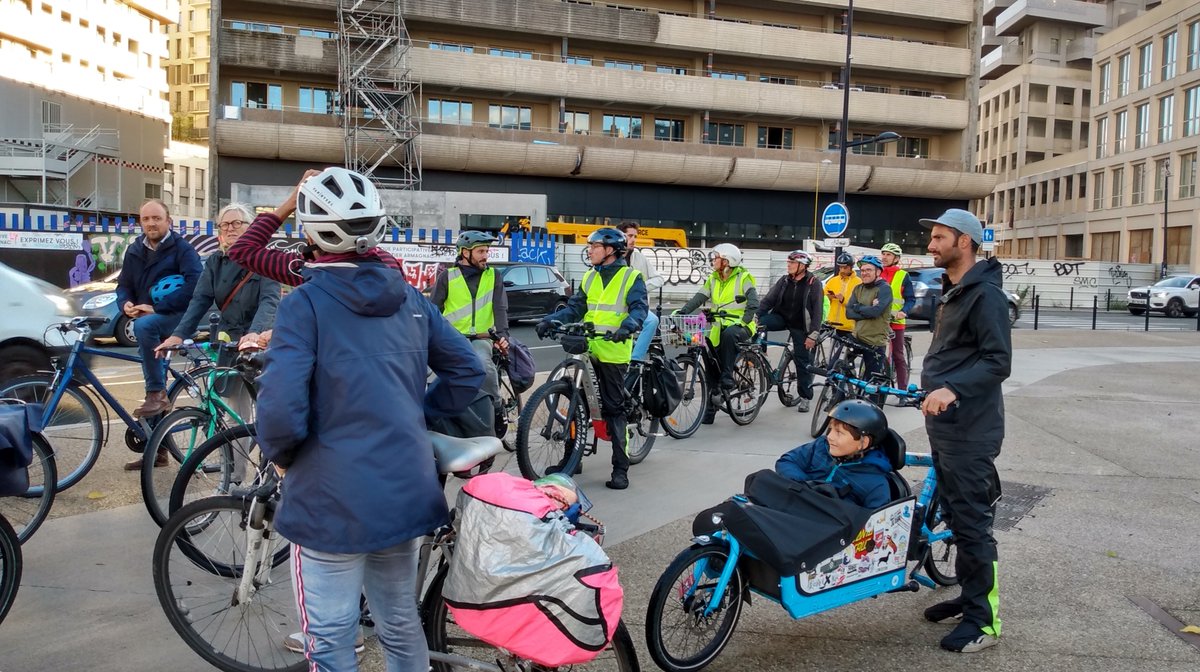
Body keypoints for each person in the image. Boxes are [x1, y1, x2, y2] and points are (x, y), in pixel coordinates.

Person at [256, 166, 485, 672]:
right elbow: (469, 372)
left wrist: (282, 458)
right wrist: (414, 413)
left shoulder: (306, 304)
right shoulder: (409, 297)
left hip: (329, 501)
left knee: (331, 636)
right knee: (400, 622)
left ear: (312, 234)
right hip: (404, 490)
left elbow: (279, 410)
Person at [917, 209, 1012, 654]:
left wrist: (951, 389)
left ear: (965, 242)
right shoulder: (955, 289)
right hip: (947, 426)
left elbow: (998, 362)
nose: (931, 245)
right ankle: (968, 597)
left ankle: (984, 621)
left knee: (973, 525)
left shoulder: (985, 295)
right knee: (955, 517)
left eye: (939, 238)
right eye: (932, 237)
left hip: (970, 431)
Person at [131, 204, 281, 471]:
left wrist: (254, 335)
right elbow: (199, 301)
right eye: (225, 225)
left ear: (251, 228)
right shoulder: (215, 262)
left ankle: (271, 461)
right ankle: (234, 476)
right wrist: (178, 336)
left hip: (259, 340)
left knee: (271, 409)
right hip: (229, 340)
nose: (231, 229)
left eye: (237, 223)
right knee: (233, 409)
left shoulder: (264, 258)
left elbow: (269, 302)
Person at [536, 228, 647, 490]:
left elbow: (639, 308)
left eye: (594, 246)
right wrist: (550, 320)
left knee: (613, 409)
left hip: (613, 351)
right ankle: (571, 460)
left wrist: (629, 325)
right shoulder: (589, 276)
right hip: (588, 347)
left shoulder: (631, 277)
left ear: (611, 250)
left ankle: (621, 468)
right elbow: (576, 308)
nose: (589, 250)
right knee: (576, 405)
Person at [226, 168, 403, 289]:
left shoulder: (311, 271)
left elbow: (242, 251)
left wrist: (290, 204)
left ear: (313, 236)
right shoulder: (390, 265)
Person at [115, 199, 203, 418]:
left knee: (143, 326)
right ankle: (158, 448)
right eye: (146, 219)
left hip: (178, 316)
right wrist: (125, 303)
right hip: (151, 316)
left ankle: (156, 393)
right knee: (148, 342)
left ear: (168, 221)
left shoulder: (183, 249)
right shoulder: (134, 250)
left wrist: (157, 308)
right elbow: (124, 285)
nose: (151, 223)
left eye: (156, 218)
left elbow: (196, 285)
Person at [427, 230, 511, 429]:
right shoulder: (447, 277)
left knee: (483, 365)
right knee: (438, 374)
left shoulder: (493, 275)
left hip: (483, 336)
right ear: (465, 253)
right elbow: (433, 310)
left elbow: (500, 307)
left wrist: (503, 335)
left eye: (487, 251)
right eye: (481, 251)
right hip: (454, 338)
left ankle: (497, 408)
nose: (485, 256)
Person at [675, 244, 758, 423]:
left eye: (716, 257)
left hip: (741, 325)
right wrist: (683, 311)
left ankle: (728, 378)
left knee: (729, 336)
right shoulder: (713, 278)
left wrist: (744, 321)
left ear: (727, 261)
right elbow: (699, 298)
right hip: (719, 325)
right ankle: (710, 409)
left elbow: (753, 303)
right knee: (710, 363)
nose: (713, 260)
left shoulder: (744, 277)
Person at [774, 399, 893, 509]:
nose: (829, 437)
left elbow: (872, 524)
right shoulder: (821, 446)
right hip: (795, 507)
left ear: (863, 442)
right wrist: (807, 488)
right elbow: (787, 461)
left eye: (839, 433)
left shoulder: (874, 484)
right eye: (830, 429)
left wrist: (833, 503)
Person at [755, 250, 822, 413]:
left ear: (802, 266)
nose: (789, 265)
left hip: (801, 325)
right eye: (788, 262)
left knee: (802, 360)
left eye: (792, 263)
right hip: (782, 318)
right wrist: (756, 316)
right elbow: (769, 300)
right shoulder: (784, 280)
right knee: (758, 325)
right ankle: (757, 354)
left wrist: (813, 335)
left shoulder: (814, 283)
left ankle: (805, 397)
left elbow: (817, 311)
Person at [615, 221, 664, 363]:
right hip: (615, 306)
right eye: (629, 236)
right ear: (620, 236)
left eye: (635, 236)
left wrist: (640, 288)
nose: (633, 240)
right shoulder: (611, 256)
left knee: (652, 321)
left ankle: (635, 360)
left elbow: (659, 279)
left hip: (635, 306)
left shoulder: (640, 257)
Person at [845, 255, 893, 389]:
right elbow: (848, 313)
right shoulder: (858, 288)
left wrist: (858, 307)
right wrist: (867, 309)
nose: (864, 273)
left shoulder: (884, 289)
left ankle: (875, 406)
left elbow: (876, 312)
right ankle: (838, 399)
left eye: (869, 270)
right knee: (836, 367)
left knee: (873, 383)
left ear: (878, 272)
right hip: (857, 337)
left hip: (874, 341)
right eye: (863, 270)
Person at [879, 243, 915, 389]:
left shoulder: (903, 275)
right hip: (879, 320)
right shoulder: (877, 272)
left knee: (898, 356)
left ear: (896, 258)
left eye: (888, 255)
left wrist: (904, 311)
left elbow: (911, 299)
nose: (884, 257)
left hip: (896, 321)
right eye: (883, 254)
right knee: (877, 353)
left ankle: (902, 390)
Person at [824, 252, 860, 336]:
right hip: (832, 324)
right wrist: (828, 297)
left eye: (845, 267)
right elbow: (823, 298)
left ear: (851, 267)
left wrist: (843, 300)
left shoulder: (858, 282)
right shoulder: (833, 281)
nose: (842, 270)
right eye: (840, 267)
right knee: (833, 349)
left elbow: (859, 304)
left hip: (848, 326)